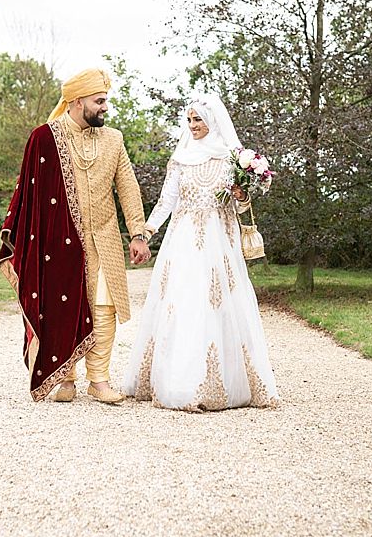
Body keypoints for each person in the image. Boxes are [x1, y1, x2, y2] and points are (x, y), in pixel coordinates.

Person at [0, 68, 152, 403]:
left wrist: (138, 233)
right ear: (77, 101)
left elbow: (128, 187)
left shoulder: (114, 139)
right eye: (99, 101)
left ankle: (99, 380)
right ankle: (65, 378)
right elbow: (29, 195)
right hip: (59, 244)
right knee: (59, 308)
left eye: (106, 100)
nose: (105, 107)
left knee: (104, 309)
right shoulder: (45, 137)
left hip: (105, 238)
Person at [118, 93, 280, 411]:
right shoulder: (181, 158)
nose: (192, 125)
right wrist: (146, 232)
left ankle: (226, 383)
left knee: (220, 305)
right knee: (184, 304)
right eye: (189, 120)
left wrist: (242, 193)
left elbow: (242, 204)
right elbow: (167, 202)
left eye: (198, 120)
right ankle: (178, 383)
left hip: (220, 243)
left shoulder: (231, 159)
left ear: (212, 121)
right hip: (183, 242)